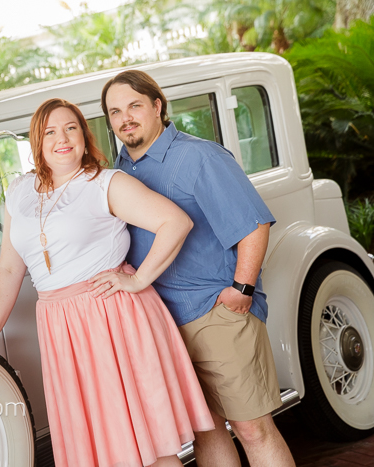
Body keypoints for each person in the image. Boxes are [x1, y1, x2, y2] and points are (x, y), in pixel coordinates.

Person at [0, 98, 214, 467]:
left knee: (147, 444)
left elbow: (176, 222)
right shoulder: (19, 192)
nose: (61, 138)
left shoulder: (105, 182)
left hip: (111, 316)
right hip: (59, 323)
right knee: (102, 448)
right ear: (37, 140)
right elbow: (9, 269)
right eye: (50, 131)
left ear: (84, 135)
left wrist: (139, 279)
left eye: (71, 128)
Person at [100, 70, 296, 467]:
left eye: (135, 106)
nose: (125, 118)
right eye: (115, 111)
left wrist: (241, 290)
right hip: (159, 323)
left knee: (252, 428)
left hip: (215, 313)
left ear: (157, 106)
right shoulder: (117, 170)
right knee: (205, 431)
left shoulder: (200, 156)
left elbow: (254, 224)